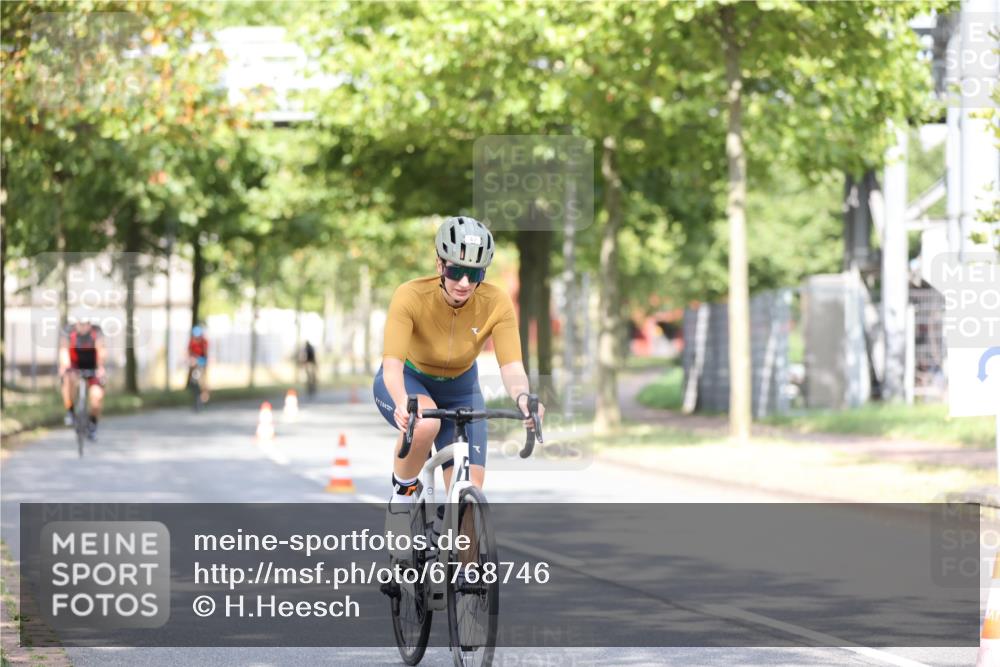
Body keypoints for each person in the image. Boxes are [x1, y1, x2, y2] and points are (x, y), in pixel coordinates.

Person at [373, 216, 544, 510]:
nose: (464, 283)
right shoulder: (410, 295)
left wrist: (522, 397)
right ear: (440, 265)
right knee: (425, 423)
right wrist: (402, 401)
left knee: (468, 495)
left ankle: (460, 549)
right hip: (410, 380)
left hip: (461, 390)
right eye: (456, 271)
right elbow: (392, 365)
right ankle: (401, 499)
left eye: (474, 274)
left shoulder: (496, 302)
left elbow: (512, 366)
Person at [58, 319, 106, 440]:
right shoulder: (69, 331)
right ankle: (70, 410)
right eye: (81, 324)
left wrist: (100, 367)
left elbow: (101, 350)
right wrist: (65, 366)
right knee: (68, 378)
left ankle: (93, 424)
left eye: (87, 324)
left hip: (92, 366)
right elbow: (64, 350)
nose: (84, 327)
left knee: (97, 396)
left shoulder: (97, 331)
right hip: (75, 365)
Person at [187, 324, 209, 403]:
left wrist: (203, 362)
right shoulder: (192, 342)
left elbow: (205, 354)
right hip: (194, 363)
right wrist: (192, 359)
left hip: (202, 362)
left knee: (203, 380)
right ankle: (194, 391)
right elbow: (189, 352)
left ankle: (204, 394)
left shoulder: (204, 342)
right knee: (194, 380)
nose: (197, 338)